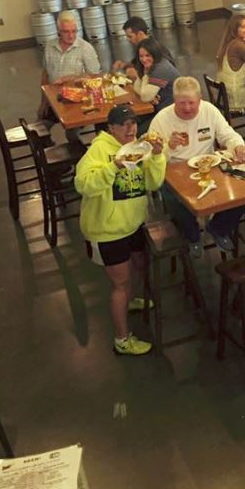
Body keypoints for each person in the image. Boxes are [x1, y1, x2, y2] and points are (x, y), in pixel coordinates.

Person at [74, 104, 166, 356]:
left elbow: (153, 183)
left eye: (133, 123)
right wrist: (114, 166)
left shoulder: (139, 148)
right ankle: (122, 340)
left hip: (133, 224)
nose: (130, 129)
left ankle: (132, 300)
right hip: (107, 231)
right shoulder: (98, 150)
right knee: (120, 284)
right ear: (111, 128)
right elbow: (82, 184)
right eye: (123, 125)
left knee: (138, 267)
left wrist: (157, 156)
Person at [148, 77, 245, 257]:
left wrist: (238, 145)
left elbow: (228, 135)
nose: (187, 108)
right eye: (182, 103)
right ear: (174, 100)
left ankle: (218, 228)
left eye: (192, 103)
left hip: (208, 166)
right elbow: (151, 158)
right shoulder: (161, 119)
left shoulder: (209, 111)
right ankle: (193, 237)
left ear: (200, 99)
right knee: (173, 199)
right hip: (174, 170)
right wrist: (169, 147)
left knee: (243, 191)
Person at [38, 11, 101, 121]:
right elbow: (45, 75)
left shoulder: (86, 48)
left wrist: (71, 78)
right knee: (40, 124)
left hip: (76, 100)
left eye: (74, 31)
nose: (71, 36)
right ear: (58, 31)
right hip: (54, 98)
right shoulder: (49, 46)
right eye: (66, 32)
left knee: (71, 128)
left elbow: (95, 77)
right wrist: (43, 103)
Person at [215, 14, 245, 112]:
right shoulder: (238, 45)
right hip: (235, 96)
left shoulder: (230, 42)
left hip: (225, 93)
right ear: (235, 29)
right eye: (243, 27)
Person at [133, 38, 179, 133]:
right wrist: (148, 95)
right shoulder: (154, 64)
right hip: (160, 109)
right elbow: (136, 87)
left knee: (136, 131)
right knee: (131, 121)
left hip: (173, 114)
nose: (144, 59)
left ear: (155, 54)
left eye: (147, 55)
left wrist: (146, 76)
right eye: (141, 56)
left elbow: (145, 97)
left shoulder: (161, 69)